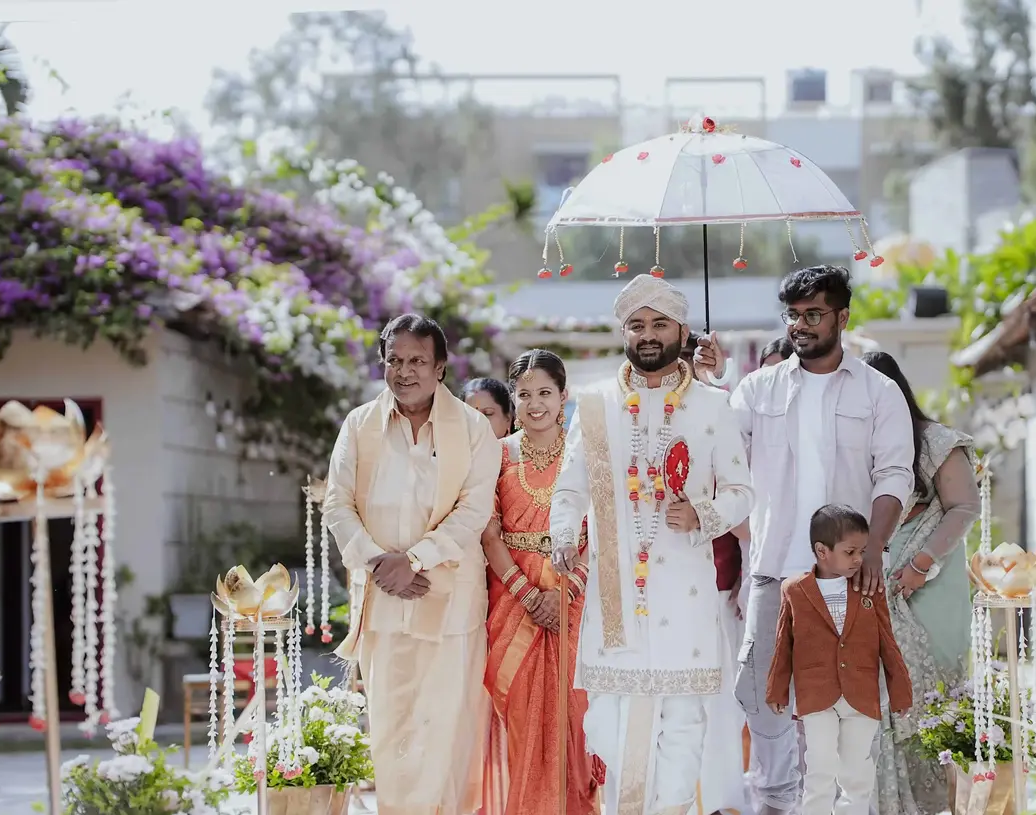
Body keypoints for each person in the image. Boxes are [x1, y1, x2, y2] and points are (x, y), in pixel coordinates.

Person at [697, 265, 915, 815]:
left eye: (814, 314)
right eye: (793, 315)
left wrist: (874, 551)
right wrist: (704, 386)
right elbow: (722, 461)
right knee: (763, 701)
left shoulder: (879, 391)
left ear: (843, 316)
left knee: (846, 715)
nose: (801, 325)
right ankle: (774, 805)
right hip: (775, 573)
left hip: (849, 578)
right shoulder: (756, 388)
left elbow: (895, 476)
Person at [551, 275, 754, 815]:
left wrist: (704, 513)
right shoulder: (594, 405)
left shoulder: (712, 406)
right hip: (615, 594)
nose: (647, 334)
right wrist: (565, 535)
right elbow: (569, 488)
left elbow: (742, 492)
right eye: (636, 324)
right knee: (612, 726)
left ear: (682, 331)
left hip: (683, 595)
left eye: (659, 323)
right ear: (624, 331)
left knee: (684, 723)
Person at [323, 314, 502, 815]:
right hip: (384, 604)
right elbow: (337, 504)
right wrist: (382, 565)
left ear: (440, 367)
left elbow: (474, 510)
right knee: (391, 730)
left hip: (450, 606)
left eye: (417, 361)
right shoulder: (359, 425)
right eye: (394, 360)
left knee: (448, 731)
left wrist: (416, 560)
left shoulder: (471, 429)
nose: (405, 371)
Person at [859, 351, 980, 815]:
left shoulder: (936, 440)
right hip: (875, 583)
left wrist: (921, 564)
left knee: (933, 702)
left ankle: (935, 804)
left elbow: (965, 507)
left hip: (933, 582)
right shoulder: (856, 440)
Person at [479, 350, 600, 815]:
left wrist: (565, 590)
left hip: (574, 600)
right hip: (514, 601)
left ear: (563, 396)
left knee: (576, 720)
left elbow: (600, 532)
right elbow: (489, 533)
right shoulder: (497, 454)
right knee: (524, 720)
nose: (535, 405)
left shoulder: (585, 452)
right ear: (513, 399)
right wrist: (530, 595)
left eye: (545, 393)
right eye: (524, 394)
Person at [765, 504, 912, 815]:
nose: (859, 559)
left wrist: (900, 691)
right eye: (851, 551)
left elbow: (888, 642)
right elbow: (783, 645)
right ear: (822, 551)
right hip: (816, 694)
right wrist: (777, 689)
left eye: (863, 550)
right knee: (819, 766)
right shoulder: (794, 590)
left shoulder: (870, 589)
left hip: (861, 693)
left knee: (858, 771)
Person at [682, 338, 750, 815]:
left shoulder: (720, 411)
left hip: (719, 582)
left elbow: (744, 499)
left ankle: (723, 802)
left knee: (721, 702)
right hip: (658, 588)